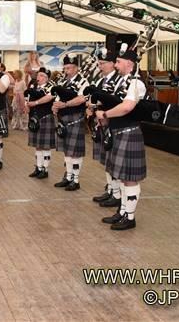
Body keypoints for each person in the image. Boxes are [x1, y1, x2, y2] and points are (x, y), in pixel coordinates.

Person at [96, 46, 148, 230]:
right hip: (119, 132)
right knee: (123, 177)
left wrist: (105, 114)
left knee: (130, 178)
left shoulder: (136, 83)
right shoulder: (123, 82)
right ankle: (123, 211)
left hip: (129, 132)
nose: (116, 65)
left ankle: (130, 217)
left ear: (129, 63)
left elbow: (126, 107)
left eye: (118, 62)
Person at [87, 48, 121, 208]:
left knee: (113, 161)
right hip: (102, 123)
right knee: (107, 161)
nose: (100, 66)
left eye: (103, 63)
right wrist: (91, 107)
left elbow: (114, 102)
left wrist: (98, 107)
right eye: (99, 63)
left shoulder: (118, 80)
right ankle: (111, 190)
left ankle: (117, 194)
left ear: (113, 63)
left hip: (113, 124)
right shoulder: (101, 81)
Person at [52, 54, 90, 191]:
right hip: (63, 118)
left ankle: (76, 180)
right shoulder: (62, 81)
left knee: (75, 151)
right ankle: (68, 177)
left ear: (76, 68)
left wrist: (65, 104)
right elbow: (57, 98)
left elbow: (82, 98)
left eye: (69, 68)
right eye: (65, 68)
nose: (67, 70)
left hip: (75, 117)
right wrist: (55, 106)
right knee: (67, 150)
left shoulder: (83, 82)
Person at [25, 67, 55, 179]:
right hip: (34, 117)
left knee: (45, 146)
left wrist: (35, 103)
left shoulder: (51, 86)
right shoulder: (34, 85)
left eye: (42, 76)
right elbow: (27, 97)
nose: (39, 77)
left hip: (45, 117)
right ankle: (38, 167)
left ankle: (45, 169)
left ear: (47, 78)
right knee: (37, 146)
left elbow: (48, 98)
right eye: (38, 75)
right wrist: (26, 105)